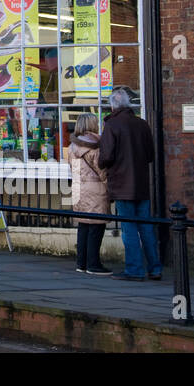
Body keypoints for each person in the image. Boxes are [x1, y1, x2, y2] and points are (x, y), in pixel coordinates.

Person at [98, 87, 162, 281]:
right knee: (146, 227)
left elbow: (106, 156)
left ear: (113, 105)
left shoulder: (112, 125)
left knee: (129, 228)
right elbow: (150, 155)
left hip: (121, 184)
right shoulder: (142, 124)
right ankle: (155, 268)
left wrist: (101, 163)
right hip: (142, 184)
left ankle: (134, 269)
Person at [68, 113, 112, 276]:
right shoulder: (96, 146)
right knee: (96, 226)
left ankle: (81, 263)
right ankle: (94, 264)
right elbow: (102, 171)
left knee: (84, 226)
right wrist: (110, 188)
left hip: (79, 189)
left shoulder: (72, 147)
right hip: (95, 190)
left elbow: (72, 168)